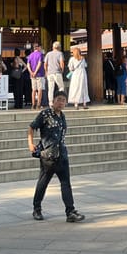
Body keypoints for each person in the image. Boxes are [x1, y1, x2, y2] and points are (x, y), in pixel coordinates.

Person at [27, 90, 85, 223]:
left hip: (62, 155)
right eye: (58, 99)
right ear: (53, 101)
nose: (61, 102)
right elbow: (31, 127)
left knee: (66, 184)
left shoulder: (62, 116)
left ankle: (70, 211)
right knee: (43, 183)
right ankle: (37, 208)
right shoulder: (45, 114)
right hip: (48, 156)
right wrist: (31, 144)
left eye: (63, 100)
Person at [44, 41, 65, 106]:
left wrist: (46, 71)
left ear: (53, 47)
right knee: (61, 87)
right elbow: (62, 63)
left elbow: (45, 64)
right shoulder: (60, 53)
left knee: (50, 88)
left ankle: (50, 102)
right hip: (57, 72)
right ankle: (61, 101)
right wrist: (62, 70)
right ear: (59, 47)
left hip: (50, 73)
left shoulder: (48, 54)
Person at [27, 43, 45, 110]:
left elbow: (28, 65)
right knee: (40, 89)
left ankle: (33, 104)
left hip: (32, 75)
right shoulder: (40, 54)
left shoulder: (30, 55)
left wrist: (31, 72)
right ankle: (38, 104)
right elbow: (40, 63)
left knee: (33, 90)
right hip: (39, 74)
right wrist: (35, 72)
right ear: (38, 47)